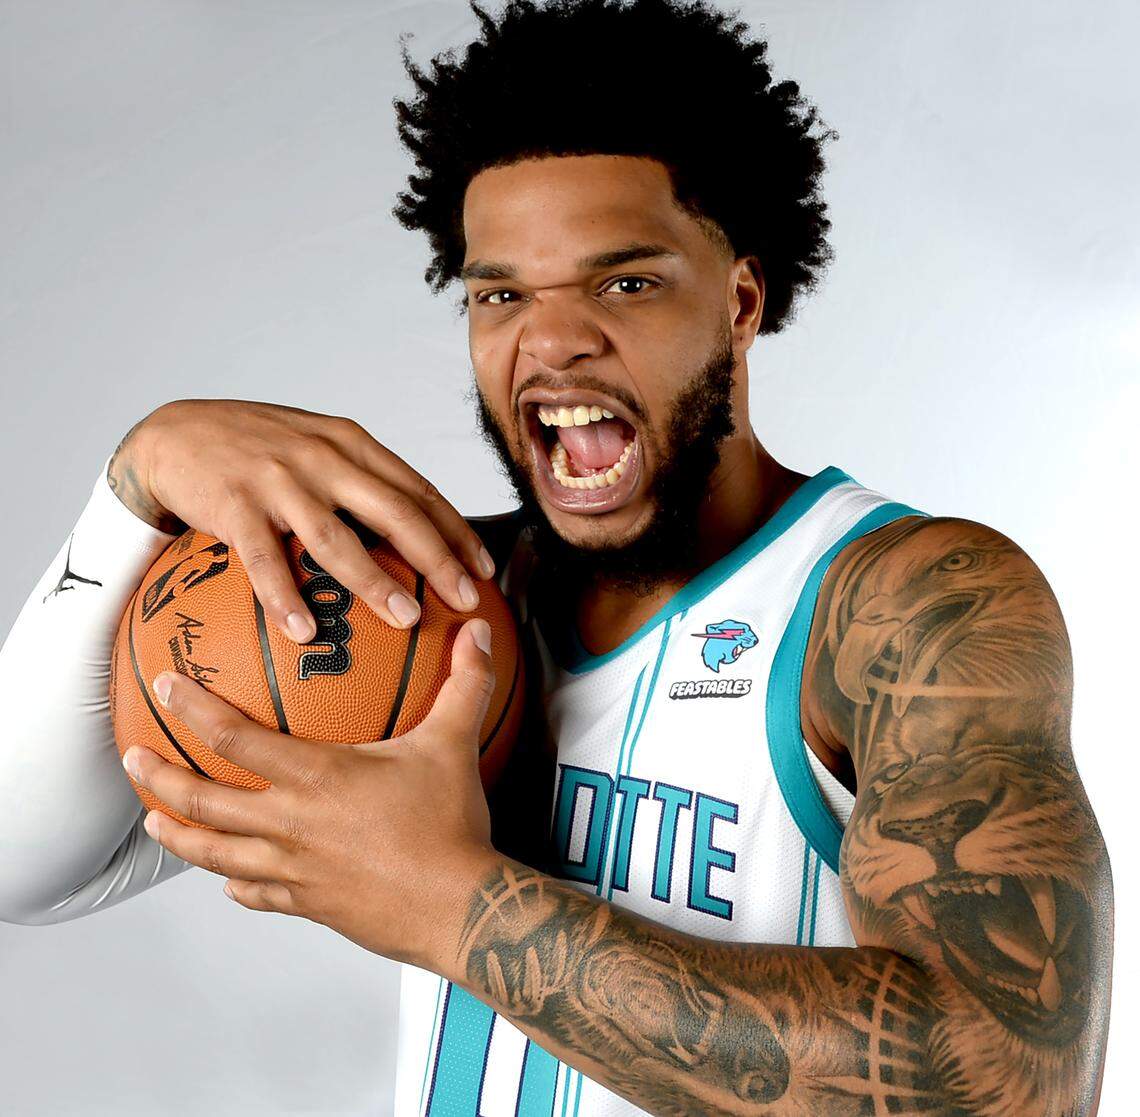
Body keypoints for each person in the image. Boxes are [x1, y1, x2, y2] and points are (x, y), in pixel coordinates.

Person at [0, 1, 1112, 1113]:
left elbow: (1010, 1085)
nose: (550, 339)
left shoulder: (907, 603)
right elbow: (19, 865)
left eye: (623, 283)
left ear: (739, 302)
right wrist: (130, 489)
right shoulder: (407, 607)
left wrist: (449, 902)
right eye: (500, 294)